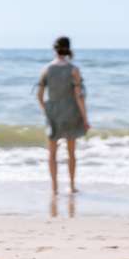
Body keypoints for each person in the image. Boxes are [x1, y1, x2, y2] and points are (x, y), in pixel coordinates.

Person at [36, 36, 90, 194]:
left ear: (54, 49)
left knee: (52, 153)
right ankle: (72, 186)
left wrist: (45, 110)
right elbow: (79, 96)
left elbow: (39, 96)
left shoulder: (47, 69)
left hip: (53, 113)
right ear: (69, 49)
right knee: (71, 152)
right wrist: (85, 118)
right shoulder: (74, 70)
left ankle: (54, 188)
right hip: (71, 113)